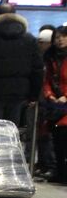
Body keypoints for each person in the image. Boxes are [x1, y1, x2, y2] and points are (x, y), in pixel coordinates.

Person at [0, 4, 42, 124]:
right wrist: (34, 95)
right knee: (12, 128)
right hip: (19, 92)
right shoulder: (29, 39)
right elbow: (37, 69)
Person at [42, 24, 67, 182]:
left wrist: (66, 96)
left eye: (63, 37)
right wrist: (49, 95)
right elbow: (47, 80)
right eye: (57, 37)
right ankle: (59, 171)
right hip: (55, 104)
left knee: (64, 136)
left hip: (64, 101)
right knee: (56, 138)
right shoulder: (50, 57)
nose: (60, 40)